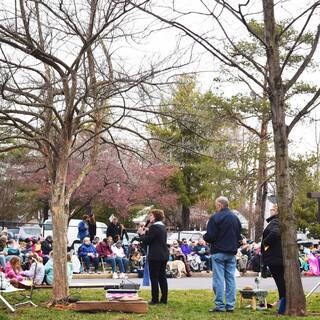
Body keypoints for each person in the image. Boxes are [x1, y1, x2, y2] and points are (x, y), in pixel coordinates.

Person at [203, 196, 242, 313]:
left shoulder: (215, 218)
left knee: (219, 279)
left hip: (219, 251)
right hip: (231, 252)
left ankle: (219, 305)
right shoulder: (235, 218)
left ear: (220, 205)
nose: (215, 208)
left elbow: (210, 236)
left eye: (216, 205)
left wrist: (205, 237)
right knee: (231, 279)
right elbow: (239, 235)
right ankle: (230, 305)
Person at [138, 209, 169, 305]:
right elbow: (155, 237)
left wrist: (141, 234)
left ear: (155, 217)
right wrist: (147, 230)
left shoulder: (154, 227)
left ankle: (155, 299)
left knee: (154, 278)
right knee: (162, 277)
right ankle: (164, 299)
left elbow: (147, 241)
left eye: (151, 215)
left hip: (155, 256)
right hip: (163, 255)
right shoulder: (162, 227)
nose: (149, 217)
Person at [261, 204, 286, 313]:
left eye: (271, 210)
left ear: (276, 211)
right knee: (281, 282)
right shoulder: (281, 221)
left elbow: (275, 233)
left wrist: (265, 242)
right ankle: (282, 303)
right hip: (279, 256)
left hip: (275, 257)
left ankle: (283, 306)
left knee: (280, 282)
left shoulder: (276, 221)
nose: (270, 211)